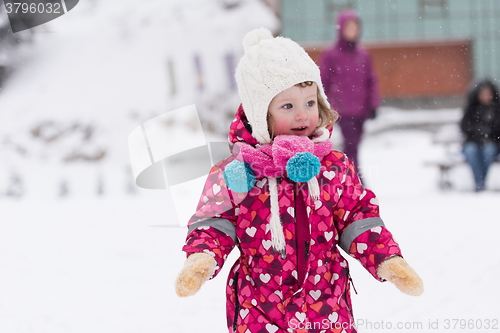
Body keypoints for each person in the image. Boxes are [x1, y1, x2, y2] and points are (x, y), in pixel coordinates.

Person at [174, 28, 423, 333]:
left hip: (327, 302)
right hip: (260, 307)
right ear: (259, 114)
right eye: (287, 106)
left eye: (309, 103)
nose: (303, 115)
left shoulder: (333, 167)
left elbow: (357, 217)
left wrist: (386, 259)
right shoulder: (236, 173)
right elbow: (214, 221)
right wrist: (201, 257)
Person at [319, 9, 379, 181]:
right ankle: (356, 180)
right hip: (341, 110)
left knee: (354, 146)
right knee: (351, 146)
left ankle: (346, 178)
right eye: (349, 27)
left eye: (356, 27)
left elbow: (371, 80)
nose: (353, 31)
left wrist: (373, 105)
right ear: (341, 29)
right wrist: (323, 107)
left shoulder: (364, 55)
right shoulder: (331, 55)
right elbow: (323, 82)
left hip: (361, 109)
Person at [460, 79, 500, 191]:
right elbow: (464, 126)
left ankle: (481, 181)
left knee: (489, 151)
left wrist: (489, 134)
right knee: (471, 151)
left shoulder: (497, 109)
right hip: (473, 142)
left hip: (492, 142)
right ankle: (479, 183)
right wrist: (478, 132)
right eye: (483, 94)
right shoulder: (471, 109)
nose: (486, 96)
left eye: (489, 94)